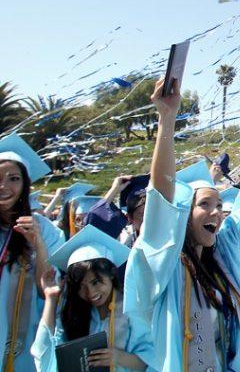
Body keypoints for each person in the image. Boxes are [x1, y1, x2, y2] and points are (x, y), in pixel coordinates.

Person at [124, 77, 240, 371]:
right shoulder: (162, 262)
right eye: (204, 204)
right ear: (181, 214)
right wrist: (167, 121)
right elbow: (162, 198)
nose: (217, 212)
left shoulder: (224, 255)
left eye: (219, 206)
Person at [32, 225, 155, 371]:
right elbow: (44, 352)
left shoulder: (131, 309)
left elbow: (151, 361)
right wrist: (51, 298)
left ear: (111, 274)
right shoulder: (74, 312)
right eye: (81, 286)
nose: (90, 293)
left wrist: (118, 357)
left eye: (95, 282)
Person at [0, 133, 66, 372]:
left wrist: (37, 243)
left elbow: (47, 288)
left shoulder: (45, 230)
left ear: (25, 184)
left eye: (13, 179)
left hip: (25, 332)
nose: (4, 186)